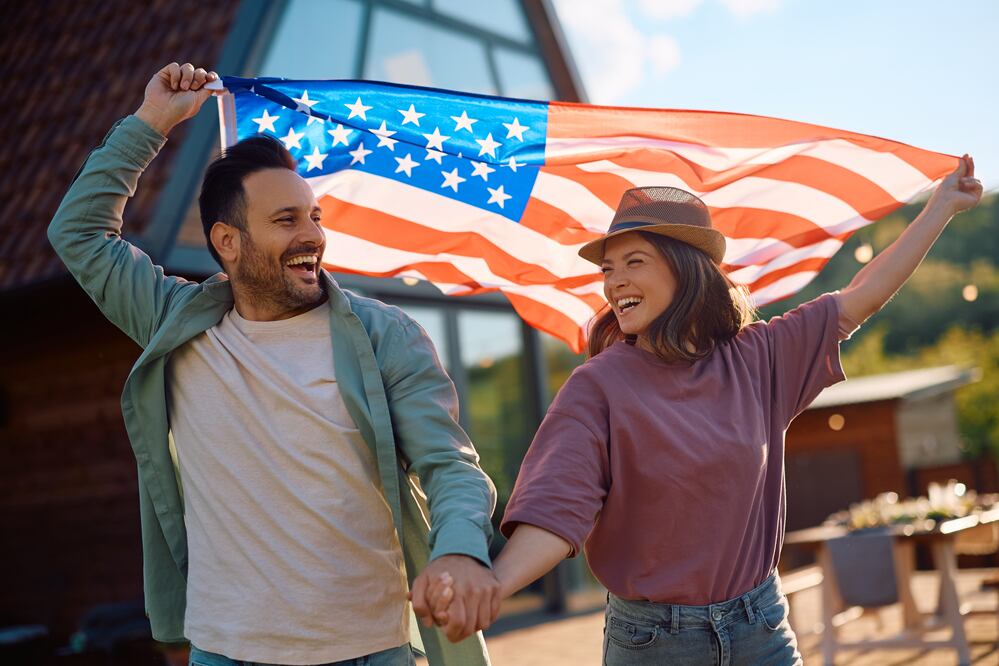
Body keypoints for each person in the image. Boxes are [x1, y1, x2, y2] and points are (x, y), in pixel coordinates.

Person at [418, 163, 982, 663]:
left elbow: (865, 293)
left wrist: (941, 207)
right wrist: (496, 584)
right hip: (653, 646)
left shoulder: (760, 359)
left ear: (687, 270)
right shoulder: (597, 387)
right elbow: (559, 509)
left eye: (633, 262)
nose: (614, 281)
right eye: (608, 269)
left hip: (761, 627)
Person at [48, 63, 500, 666]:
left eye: (313, 216)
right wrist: (152, 122)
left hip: (366, 651)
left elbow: (451, 466)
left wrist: (460, 552)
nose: (311, 235)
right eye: (286, 220)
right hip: (225, 651)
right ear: (227, 241)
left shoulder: (386, 335)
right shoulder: (173, 322)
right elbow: (78, 232)